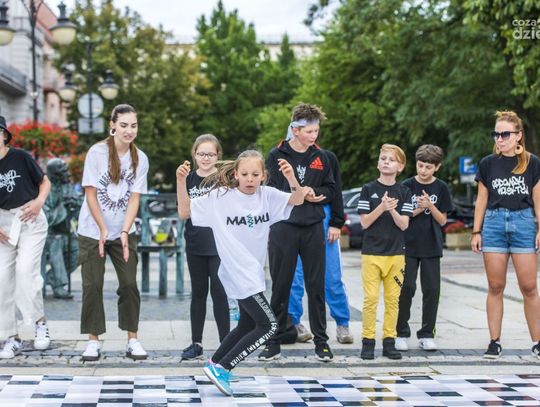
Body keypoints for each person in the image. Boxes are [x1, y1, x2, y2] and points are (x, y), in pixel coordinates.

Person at [176, 150, 304, 396]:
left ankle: (215, 362)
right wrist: (181, 181)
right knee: (269, 326)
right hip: (237, 270)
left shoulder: (267, 195)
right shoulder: (221, 197)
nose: (249, 179)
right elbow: (185, 212)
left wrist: (291, 178)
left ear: (263, 176)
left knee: (247, 324)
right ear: (235, 174)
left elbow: (297, 200)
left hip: (253, 272)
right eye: (244, 174)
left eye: (255, 174)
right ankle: (224, 367)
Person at [259, 103, 335, 362]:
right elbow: (271, 192)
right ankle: (273, 342)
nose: (314, 136)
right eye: (309, 131)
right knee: (281, 286)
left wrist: (315, 193)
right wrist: (297, 192)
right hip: (284, 227)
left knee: (316, 287)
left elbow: (331, 190)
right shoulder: (276, 155)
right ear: (295, 130)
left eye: (316, 131)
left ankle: (322, 343)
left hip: (312, 227)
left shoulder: (322, 157)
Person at [77, 104, 149, 361]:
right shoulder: (97, 153)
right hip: (92, 230)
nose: (129, 130)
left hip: (123, 231)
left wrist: (125, 231)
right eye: (124, 125)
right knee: (93, 284)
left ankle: (132, 339)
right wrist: (103, 229)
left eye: (134, 125)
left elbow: (134, 198)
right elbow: (90, 194)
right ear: (113, 126)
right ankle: (93, 340)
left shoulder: (140, 158)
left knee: (129, 284)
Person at [471, 110, 540, 359]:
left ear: (518, 135)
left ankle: (537, 342)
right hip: (494, 224)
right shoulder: (488, 163)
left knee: (529, 287)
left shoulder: (532, 162)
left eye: (505, 134)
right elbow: (481, 199)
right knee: (495, 285)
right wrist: (476, 231)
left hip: (523, 223)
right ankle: (494, 342)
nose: (499, 139)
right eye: (496, 134)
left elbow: (538, 198)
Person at [288, 148, 353, 344]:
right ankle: (294, 323)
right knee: (294, 277)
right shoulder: (283, 157)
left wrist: (336, 223)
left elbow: (336, 190)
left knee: (331, 275)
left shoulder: (326, 157)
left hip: (323, 217)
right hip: (294, 219)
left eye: (313, 132)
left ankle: (342, 323)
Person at [0, 115, 52, 359]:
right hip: (3, 225)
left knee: (25, 271)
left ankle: (39, 322)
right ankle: (11, 337)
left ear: (4, 135)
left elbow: (45, 182)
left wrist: (39, 202)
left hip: (30, 219)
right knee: (2, 280)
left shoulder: (20, 157)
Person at [357, 144, 413, 360]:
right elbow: (364, 222)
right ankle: (368, 341)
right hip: (371, 253)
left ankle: (389, 342)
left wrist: (392, 210)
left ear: (400, 166)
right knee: (370, 299)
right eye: (383, 158)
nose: (386, 162)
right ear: (378, 163)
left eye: (391, 159)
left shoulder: (404, 192)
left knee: (392, 300)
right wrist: (381, 207)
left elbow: (404, 225)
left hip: (396, 254)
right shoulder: (367, 189)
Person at [395, 145, 453, 352]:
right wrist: (420, 208)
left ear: (437, 167)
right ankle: (401, 333)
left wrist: (431, 206)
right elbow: (402, 217)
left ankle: (427, 334)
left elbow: (443, 220)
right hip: (407, 245)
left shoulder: (442, 187)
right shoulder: (406, 185)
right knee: (406, 288)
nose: (423, 170)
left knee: (432, 290)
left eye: (428, 167)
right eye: (420, 165)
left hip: (431, 245)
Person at [180, 134, 230, 360]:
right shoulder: (188, 179)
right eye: (201, 154)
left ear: (218, 155)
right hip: (195, 243)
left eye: (210, 154)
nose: (206, 158)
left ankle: (225, 343)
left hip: (219, 244)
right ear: (194, 155)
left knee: (219, 293)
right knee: (198, 293)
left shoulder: (224, 179)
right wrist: (180, 181)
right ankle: (196, 342)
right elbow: (184, 211)